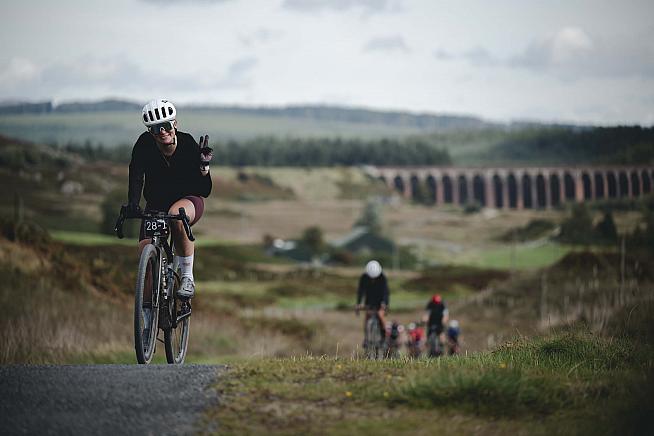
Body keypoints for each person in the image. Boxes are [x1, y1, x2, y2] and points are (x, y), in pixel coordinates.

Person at [125, 99, 213, 300]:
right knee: (145, 259)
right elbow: (136, 175)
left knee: (176, 215)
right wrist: (133, 203)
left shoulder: (187, 143)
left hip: (188, 201)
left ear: (175, 124)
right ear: (150, 132)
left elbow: (205, 190)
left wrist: (204, 168)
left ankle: (187, 277)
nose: (162, 131)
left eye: (165, 125)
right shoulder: (144, 145)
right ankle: (147, 315)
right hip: (156, 205)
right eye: (156, 129)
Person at [355, 260, 390, 341]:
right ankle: (366, 338)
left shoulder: (382, 277)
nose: (373, 278)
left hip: (381, 300)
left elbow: (385, 292)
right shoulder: (363, 277)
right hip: (369, 300)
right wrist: (358, 303)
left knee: (380, 315)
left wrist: (384, 303)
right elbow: (361, 291)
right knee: (367, 317)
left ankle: (384, 338)